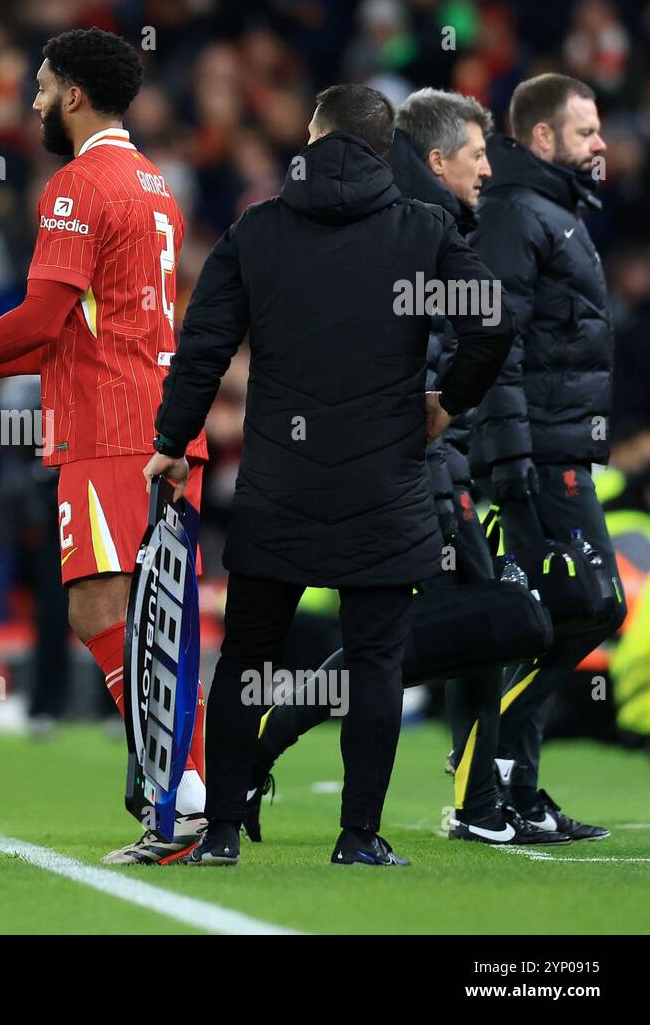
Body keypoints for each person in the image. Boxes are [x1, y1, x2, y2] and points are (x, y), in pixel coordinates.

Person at [146, 84, 514, 867]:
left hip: (279, 483)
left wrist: (172, 440)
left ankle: (217, 832)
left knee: (246, 659)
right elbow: (493, 322)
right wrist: (447, 403)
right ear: (387, 151)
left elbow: (203, 346)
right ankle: (358, 836)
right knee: (375, 660)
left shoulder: (259, 231)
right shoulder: (423, 228)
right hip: (384, 483)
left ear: (313, 139)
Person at [0, 28, 211, 865]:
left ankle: (185, 797)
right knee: (140, 613)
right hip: (158, 419)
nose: (31, 101)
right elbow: (75, 327)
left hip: (108, 429)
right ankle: (192, 791)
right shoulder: (153, 183)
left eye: (42, 85)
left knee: (109, 611)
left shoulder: (75, 184)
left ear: (75, 96)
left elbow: (38, 317)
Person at [246, 89, 567, 847]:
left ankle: (272, 733)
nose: (489, 167)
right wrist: (443, 430)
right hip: (413, 467)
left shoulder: (424, 222)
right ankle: (473, 803)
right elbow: (435, 359)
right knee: (470, 621)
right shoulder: (415, 230)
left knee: (441, 629)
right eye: (477, 153)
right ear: (435, 160)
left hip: (423, 463)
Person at [469, 74, 626, 841]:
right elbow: (494, 345)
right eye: (587, 129)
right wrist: (512, 459)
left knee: (554, 616)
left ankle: (515, 791)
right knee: (591, 606)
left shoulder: (555, 210)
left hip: (563, 449)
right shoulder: (516, 214)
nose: (602, 143)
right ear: (541, 137)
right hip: (539, 456)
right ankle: (481, 776)